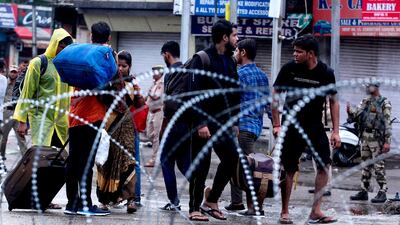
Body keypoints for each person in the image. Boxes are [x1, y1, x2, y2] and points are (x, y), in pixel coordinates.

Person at [272, 34, 340, 224]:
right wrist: (276, 124)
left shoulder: (326, 73)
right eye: (294, 50)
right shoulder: (289, 69)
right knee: (289, 168)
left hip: (314, 125)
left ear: (311, 54)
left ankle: (315, 211)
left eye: (299, 51)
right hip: (291, 125)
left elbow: (334, 101)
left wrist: (336, 131)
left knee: (324, 166)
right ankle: (284, 211)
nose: (294, 54)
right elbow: (275, 95)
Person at [13, 28, 73, 210]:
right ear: (54, 43)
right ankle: (34, 198)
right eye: (60, 45)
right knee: (40, 162)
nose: (62, 49)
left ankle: (46, 198)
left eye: (65, 46)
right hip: (42, 120)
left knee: (58, 164)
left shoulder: (68, 65)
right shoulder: (39, 63)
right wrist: (22, 120)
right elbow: (27, 93)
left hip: (61, 123)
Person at [190, 19, 240, 221]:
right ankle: (194, 208)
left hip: (223, 123)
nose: (238, 39)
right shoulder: (202, 58)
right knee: (201, 165)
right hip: (202, 122)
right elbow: (193, 94)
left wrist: (235, 121)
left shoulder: (230, 61)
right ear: (225, 37)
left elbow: (235, 93)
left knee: (232, 158)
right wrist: (201, 122)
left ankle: (211, 200)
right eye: (235, 35)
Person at [65, 21, 112, 216]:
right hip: (92, 117)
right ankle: (86, 205)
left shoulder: (82, 54)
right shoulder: (106, 56)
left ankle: (71, 204)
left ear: (91, 36)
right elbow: (112, 83)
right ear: (108, 37)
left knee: (74, 161)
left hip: (75, 115)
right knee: (87, 162)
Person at [225, 39, 270, 215]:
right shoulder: (262, 76)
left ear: (243, 52)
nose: (235, 54)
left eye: (236, 51)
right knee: (236, 164)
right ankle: (236, 201)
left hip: (241, 128)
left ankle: (254, 206)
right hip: (255, 128)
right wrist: (275, 124)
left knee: (246, 167)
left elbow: (233, 103)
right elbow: (268, 104)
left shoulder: (238, 75)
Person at [96, 50, 144, 213]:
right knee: (107, 162)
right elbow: (101, 100)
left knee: (129, 161)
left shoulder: (132, 82)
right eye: (118, 65)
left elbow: (140, 104)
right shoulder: (107, 82)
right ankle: (105, 200)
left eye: (124, 66)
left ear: (129, 67)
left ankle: (131, 199)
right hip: (110, 126)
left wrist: (136, 90)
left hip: (127, 127)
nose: (121, 68)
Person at [159, 41, 191, 212]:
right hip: (187, 125)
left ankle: (174, 201)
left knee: (166, 161)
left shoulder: (171, 73)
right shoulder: (186, 71)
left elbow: (169, 104)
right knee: (184, 164)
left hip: (174, 123)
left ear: (166, 54)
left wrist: (163, 127)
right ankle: (200, 192)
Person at [348, 81, 391, 203]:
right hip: (365, 137)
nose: (367, 88)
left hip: (377, 139)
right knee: (365, 165)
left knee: (378, 166)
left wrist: (387, 142)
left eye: (369, 86)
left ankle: (382, 192)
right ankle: (364, 191)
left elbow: (387, 123)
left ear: (376, 87)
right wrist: (349, 111)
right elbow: (356, 115)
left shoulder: (384, 103)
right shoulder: (365, 101)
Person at [1, 65, 27, 160]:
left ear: (17, 73)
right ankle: (2, 157)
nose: (13, 74)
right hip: (6, 112)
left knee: (21, 137)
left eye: (15, 72)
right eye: (11, 72)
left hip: (17, 112)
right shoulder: (4, 82)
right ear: (9, 72)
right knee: (3, 138)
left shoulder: (20, 83)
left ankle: (26, 158)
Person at [144, 65, 164, 167]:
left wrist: (149, 93)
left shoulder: (161, 84)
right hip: (151, 112)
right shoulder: (154, 84)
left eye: (155, 72)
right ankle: (160, 153)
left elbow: (156, 96)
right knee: (149, 134)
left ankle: (155, 159)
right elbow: (147, 97)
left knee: (156, 136)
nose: (153, 74)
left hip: (158, 112)